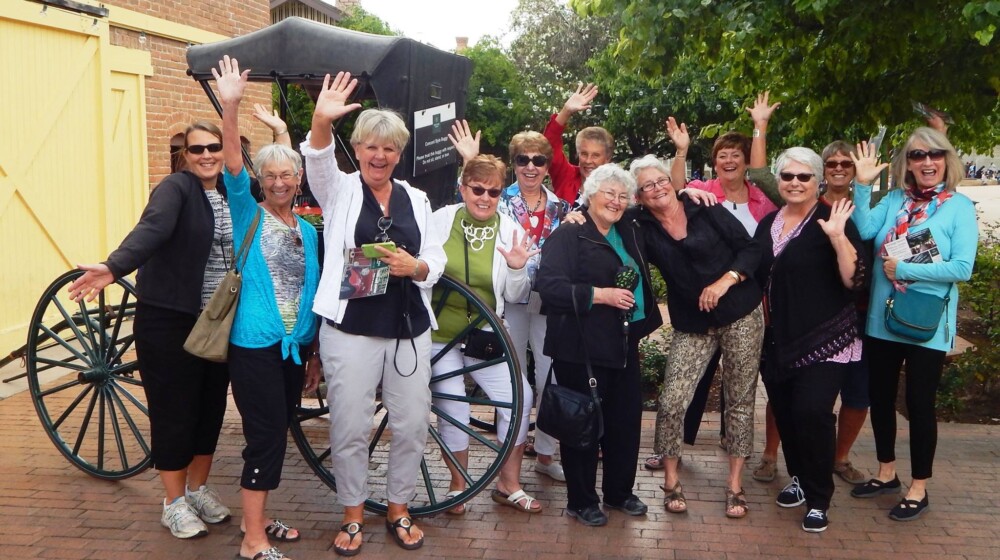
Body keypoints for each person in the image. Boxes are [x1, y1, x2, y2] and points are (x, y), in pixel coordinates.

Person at [301, 72, 446, 555]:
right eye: (369, 147)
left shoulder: (418, 199)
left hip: (408, 327)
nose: (378, 156)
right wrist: (322, 120)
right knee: (350, 423)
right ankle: (353, 514)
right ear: (358, 149)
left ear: (398, 154)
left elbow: (435, 255)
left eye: (388, 149)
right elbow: (318, 158)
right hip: (352, 328)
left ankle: (399, 508)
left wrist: (418, 265)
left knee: (409, 423)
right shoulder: (339, 190)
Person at [68, 121, 234, 538]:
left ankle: (197, 490)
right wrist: (113, 266)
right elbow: (153, 230)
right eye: (196, 149)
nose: (206, 155)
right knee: (175, 412)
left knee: (210, 409)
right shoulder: (175, 189)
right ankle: (173, 502)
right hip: (170, 317)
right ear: (184, 155)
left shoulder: (232, 191)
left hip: (217, 321)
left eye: (214, 146)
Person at [215, 56, 321, 560]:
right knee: (263, 437)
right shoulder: (247, 214)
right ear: (261, 179)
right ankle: (252, 540)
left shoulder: (307, 232)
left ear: (298, 179)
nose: (278, 182)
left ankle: (257, 518)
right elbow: (233, 163)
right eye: (270, 175)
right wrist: (230, 106)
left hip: (291, 349)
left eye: (287, 175)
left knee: (275, 432)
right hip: (253, 346)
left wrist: (311, 353)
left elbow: (310, 294)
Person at [848, 129, 978, 521]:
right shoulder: (893, 200)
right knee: (881, 399)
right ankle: (886, 471)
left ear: (946, 161)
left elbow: (962, 268)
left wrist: (903, 267)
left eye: (935, 155)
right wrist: (862, 184)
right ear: (908, 162)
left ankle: (919, 486)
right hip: (883, 318)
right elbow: (867, 230)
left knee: (920, 404)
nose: (927, 162)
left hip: (928, 323)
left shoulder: (958, 207)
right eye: (918, 155)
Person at [625, 155, 764, 519]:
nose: (657, 189)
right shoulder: (640, 225)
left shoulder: (704, 207)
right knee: (672, 400)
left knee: (739, 400)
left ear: (672, 182)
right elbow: (601, 215)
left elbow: (752, 249)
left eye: (661, 181)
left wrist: (725, 280)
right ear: (638, 197)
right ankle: (671, 481)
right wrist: (578, 213)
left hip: (741, 312)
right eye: (647, 187)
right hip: (693, 323)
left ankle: (735, 485)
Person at [646, 94, 779, 470]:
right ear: (715, 161)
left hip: (747, 298)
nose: (730, 160)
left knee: (742, 386)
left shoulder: (761, 200)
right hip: (701, 307)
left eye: (737, 154)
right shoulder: (705, 194)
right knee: (692, 381)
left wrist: (760, 126)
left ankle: (735, 443)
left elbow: (763, 175)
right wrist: (680, 152)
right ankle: (672, 446)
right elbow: (672, 193)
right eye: (723, 154)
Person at [536, 164, 663, 526]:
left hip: (623, 341)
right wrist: (600, 295)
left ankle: (619, 493)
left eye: (623, 195)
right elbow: (550, 286)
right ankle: (582, 500)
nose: (616, 201)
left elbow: (663, 201)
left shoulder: (628, 228)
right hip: (581, 347)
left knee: (625, 421)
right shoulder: (569, 235)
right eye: (609, 193)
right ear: (590, 194)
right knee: (583, 425)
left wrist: (692, 193)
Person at [754, 147, 867, 533]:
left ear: (818, 181)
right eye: (788, 176)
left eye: (804, 177)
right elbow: (754, 269)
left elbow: (854, 280)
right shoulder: (768, 222)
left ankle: (819, 498)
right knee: (786, 413)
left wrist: (837, 238)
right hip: (777, 339)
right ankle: (799, 476)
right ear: (779, 180)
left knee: (812, 413)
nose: (796, 183)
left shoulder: (833, 218)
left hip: (825, 338)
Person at [428, 154, 541, 514]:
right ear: (463, 189)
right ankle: (458, 484)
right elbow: (423, 270)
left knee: (520, 396)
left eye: (493, 192)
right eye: (477, 189)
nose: (485, 198)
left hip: (483, 334)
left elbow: (512, 294)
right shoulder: (440, 221)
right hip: (439, 336)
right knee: (454, 409)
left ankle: (508, 484)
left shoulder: (509, 229)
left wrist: (517, 267)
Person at [496, 130, 570, 482]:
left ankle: (544, 453)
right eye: (522, 159)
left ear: (547, 166)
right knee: (511, 375)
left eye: (538, 160)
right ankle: (507, 451)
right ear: (513, 164)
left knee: (549, 374)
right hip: (509, 296)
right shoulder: (498, 201)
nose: (530, 166)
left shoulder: (562, 207)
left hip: (547, 300)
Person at [543, 83, 615, 204]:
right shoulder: (567, 177)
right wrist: (566, 111)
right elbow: (548, 146)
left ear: (607, 158)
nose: (588, 161)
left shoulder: (616, 188)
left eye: (595, 155)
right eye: (584, 154)